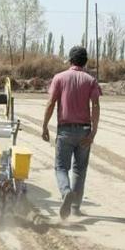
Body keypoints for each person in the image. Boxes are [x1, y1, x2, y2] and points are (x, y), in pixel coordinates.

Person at [42, 46, 101, 219]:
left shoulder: (59, 78)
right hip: (84, 131)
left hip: (65, 130)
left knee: (61, 167)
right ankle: (75, 207)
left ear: (70, 60)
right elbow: (96, 106)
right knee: (80, 170)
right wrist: (93, 132)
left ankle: (66, 191)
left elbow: (51, 102)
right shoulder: (91, 80)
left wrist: (44, 125)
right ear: (85, 62)